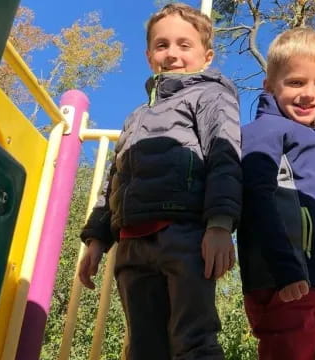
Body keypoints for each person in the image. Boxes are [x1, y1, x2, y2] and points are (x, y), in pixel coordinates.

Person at [78, 3, 241, 359]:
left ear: (206, 55)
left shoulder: (211, 95)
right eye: (162, 45)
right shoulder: (136, 117)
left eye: (185, 45)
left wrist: (219, 225)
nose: (172, 54)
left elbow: (224, 156)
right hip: (132, 243)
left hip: (183, 235)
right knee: (142, 346)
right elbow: (115, 181)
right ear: (149, 54)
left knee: (192, 339)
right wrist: (96, 239)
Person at [238, 28, 315, 360]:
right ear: (269, 85)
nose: (309, 93)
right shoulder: (266, 131)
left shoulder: (307, 138)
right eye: (296, 82)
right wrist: (287, 270)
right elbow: (256, 200)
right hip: (288, 284)